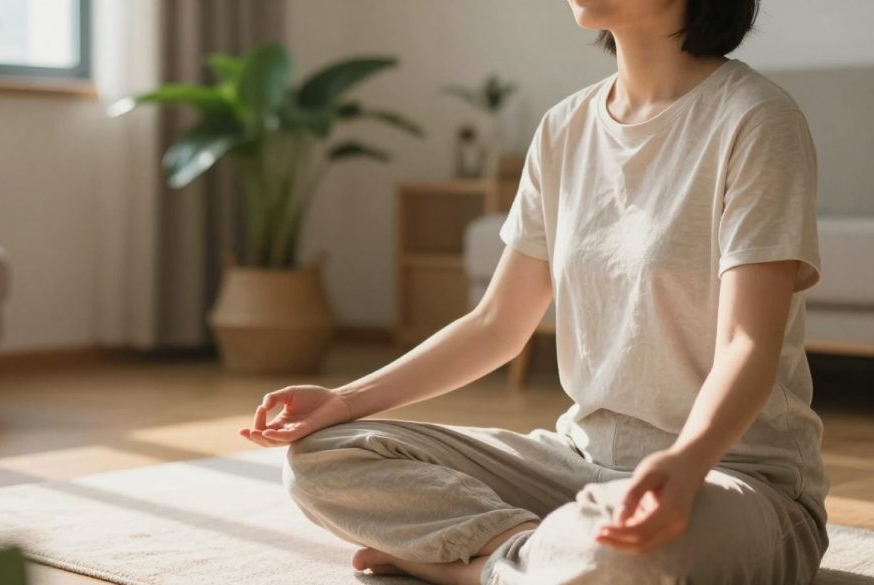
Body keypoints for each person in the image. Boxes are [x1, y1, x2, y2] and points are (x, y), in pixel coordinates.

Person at [237, 0, 830, 583]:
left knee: (626, 557)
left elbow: (746, 346)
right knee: (325, 456)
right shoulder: (563, 128)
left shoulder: (755, 118)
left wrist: (685, 462)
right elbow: (497, 323)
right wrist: (346, 400)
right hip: (575, 464)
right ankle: (528, 557)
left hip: (728, 476)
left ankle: (468, 567)